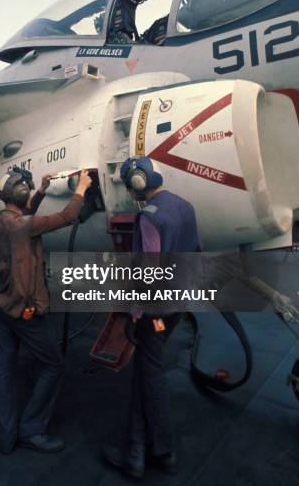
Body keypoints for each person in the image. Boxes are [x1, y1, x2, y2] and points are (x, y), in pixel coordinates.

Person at [102, 156, 200, 480]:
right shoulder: (186, 207)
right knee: (145, 373)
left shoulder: (149, 217)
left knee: (150, 378)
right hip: (175, 307)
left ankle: (163, 450)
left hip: (154, 312)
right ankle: (136, 453)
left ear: (137, 184)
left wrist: (135, 314)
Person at [0, 166, 92, 455]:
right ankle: (32, 429)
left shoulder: (1, 220)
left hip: (3, 305)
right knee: (53, 365)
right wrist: (81, 188)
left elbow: (26, 218)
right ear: (20, 193)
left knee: (3, 370)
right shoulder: (23, 225)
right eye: (28, 189)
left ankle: (6, 437)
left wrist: (43, 190)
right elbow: (68, 216)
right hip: (25, 311)